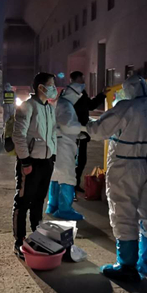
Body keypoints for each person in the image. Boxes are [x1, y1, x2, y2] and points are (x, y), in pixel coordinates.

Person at [87, 75, 147, 281]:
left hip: (125, 166)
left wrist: (83, 124)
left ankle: (126, 265)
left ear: (129, 90)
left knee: (123, 212)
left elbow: (98, 131)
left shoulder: (126, 107)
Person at [12, 72, 58, 258]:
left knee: (39, 201)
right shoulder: (27, 107)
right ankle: (19, 241)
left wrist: (53, 155)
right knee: (23, 202)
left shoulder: (49, 108)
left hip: (46, 161)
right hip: (30, 162)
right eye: (51, 85)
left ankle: (38, 237)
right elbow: (18, 135)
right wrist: (25, 161)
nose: (54, 88)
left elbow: (52, 133)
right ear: (41, 87)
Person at [46, 83, 85, 221]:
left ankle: (53, 205)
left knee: (56, 175)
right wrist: (83, 128)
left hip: (57, 143)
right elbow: (67, 126)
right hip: (64, 146)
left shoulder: (60, 103)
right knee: (67, 176)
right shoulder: (67, 105)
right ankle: (64, 209)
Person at [68, 71, 107, 194]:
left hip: (83, 133)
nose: (84, 81)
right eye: (82, 79)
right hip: (71, 134)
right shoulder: (68, 94)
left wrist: (102, 95)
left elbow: (90, 105)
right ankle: (68, 185)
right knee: (70, 160)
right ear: (75, 79)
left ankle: (75, 183)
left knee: (81, 160)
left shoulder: (82, 93)